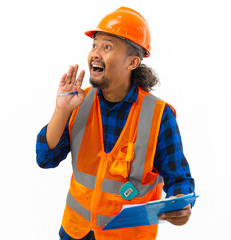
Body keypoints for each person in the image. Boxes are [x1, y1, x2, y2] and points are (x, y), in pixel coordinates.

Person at [36, 6, 195, 240]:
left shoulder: (158, 115)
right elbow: (45, 159)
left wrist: (180, 206)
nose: (95, 53)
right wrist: (61, 110)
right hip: (75, 232)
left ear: (132, 62)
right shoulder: (78, 102)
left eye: (107, 47)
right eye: (94, 45)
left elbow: (179, 180)